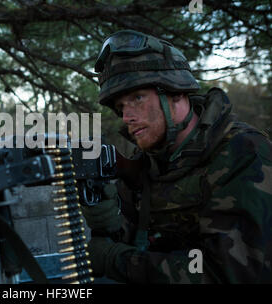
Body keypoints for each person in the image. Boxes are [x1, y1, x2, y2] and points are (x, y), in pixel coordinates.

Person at [82, 30, 272, 283]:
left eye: (137, 98)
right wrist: (108, 221)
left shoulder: (245, 153)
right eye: (120, 108)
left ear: (177, 93)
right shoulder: (149, 161)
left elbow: (230, 274)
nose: (127, 117)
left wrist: (118, 261)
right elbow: (133, 239)